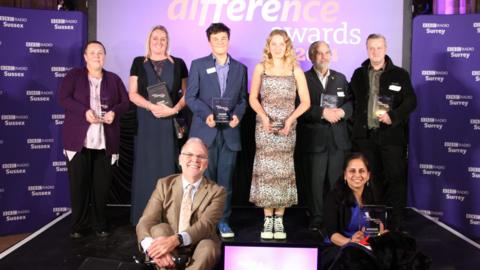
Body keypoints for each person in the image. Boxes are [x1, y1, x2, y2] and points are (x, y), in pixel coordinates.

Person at [58, 40, 129, 238]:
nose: (97, 55)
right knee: (79, 185)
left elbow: (125, 102)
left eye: (100, 52)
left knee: (102, 186)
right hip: (78, 140)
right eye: (93, 52)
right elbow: (63, 98)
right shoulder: (74, 76)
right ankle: (79, 225)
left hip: (106, 140)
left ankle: (100, 224)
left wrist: (115, 112)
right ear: (85, 57)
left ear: (104, 57)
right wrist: (84, 112)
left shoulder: (114, 79)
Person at [186, 22, 247, 238]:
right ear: (209, 42)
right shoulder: (198, 65)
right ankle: (204, 223)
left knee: (225, 182)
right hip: (206, 132)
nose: (220, 42)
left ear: (228, 40)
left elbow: (242, 99)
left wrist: (238, 115)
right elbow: (190, 97)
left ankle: (223, 221)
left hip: (229, 134)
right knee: (204, 181)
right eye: (215, 39)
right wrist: (206, 115)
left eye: (223, 38)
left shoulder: (240, 68)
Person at [350, 34, 417, 230]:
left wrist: (393, 117)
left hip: (391, 136)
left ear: (386, 49)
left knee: (395, 178)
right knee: (374, 180)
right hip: (366, 137)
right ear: (366, 49)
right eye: (372, 48)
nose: (375, 51)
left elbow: (411, 101)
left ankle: (397, 223)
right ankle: (376, 222)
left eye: (379, 48)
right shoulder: (359, 74)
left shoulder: (400, 74)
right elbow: (351, 100)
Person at [249, 29, 310, 240]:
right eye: (273, 43)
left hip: (286, 128)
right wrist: (264, 117)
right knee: (267, 171)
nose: (277, 48)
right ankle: (267, 219)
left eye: (281, 44)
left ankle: (279, 220)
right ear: (268, 45)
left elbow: (306, 102)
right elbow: (253, 98)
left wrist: (290, 120)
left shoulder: (295, 69)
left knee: (283, 172)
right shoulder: (260, 68)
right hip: (265, 128)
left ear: (287, 46)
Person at [129, 25, 189, 225]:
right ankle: (144, 217)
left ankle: (168, 217)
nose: (159, 42)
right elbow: (133, 94)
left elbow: (187, 94)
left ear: (168, 41)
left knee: (168, 168)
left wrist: (174, 110)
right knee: (146, 168)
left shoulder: (179, 63)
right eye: (155, 38)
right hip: (147, 122)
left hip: (169, 123)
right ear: (149, 40)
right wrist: (150, 106)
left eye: (163, 39)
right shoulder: (138, 62)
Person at [136, 137, 226, 270]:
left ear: (206, 164)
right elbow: (146, 220)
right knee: (159, 229)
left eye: (201, 156)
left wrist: (177, 239)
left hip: (199, 244)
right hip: (167, 245)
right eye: (189, 155)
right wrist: (152, 248)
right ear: (180, 159)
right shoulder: (164, 184)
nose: (195, 160)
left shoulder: (217, 192)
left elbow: (205, 225)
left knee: (209, 247)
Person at [297, 41, 352, 232]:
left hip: (337, 140)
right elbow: (298, 107)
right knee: (315, 183)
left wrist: (343, 112)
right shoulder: (303, 78)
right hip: (315, 140)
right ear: (312, 56)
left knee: (336, 182)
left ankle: (334, 217)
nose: (323, 56)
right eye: (319, 53)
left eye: (326, 53)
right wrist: (322, 113)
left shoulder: (341, 78)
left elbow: (351, 102)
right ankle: (317, 218)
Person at [321, 153, 380, 269]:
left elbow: (377, 228)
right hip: (340, 247)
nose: (357, 175)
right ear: (345, 175)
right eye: (352, 171)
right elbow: (332, 235)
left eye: (361, 171)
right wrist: (351, 242)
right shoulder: (334, 197)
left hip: (367, 247)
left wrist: (380, 233)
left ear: (368, 175)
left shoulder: (374, 196)